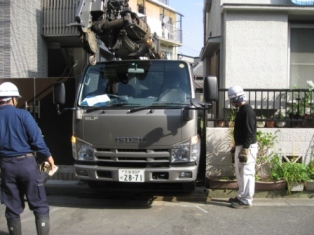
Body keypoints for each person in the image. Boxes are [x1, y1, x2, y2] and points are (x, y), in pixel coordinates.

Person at [0, 82, 55, 234]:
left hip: (6, 166)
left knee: (12, 208)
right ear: (12, 98)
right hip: (27, 164)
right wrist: (48, 157)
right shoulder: (23, 115)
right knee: (40, 206)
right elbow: (37, 140)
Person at [227, 85, 257, 209]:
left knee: (247, 173)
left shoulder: (247, 111)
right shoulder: (243, 110)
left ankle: (246, 200)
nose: (231, 102)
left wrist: (245, 148)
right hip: (243, 145)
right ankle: (241, 196)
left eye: (232, 100)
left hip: (247, 147)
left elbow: (250, 132)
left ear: (236, 98)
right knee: (240, 172)